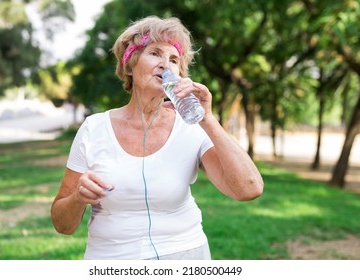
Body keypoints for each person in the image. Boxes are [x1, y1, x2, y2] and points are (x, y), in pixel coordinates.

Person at [50, 16, 264, 260]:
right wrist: (78, 197)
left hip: (185, 256)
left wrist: (208, 119)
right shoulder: (94, 128)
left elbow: (250, 189)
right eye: (155, 53)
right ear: (129, 66)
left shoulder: (191, 127)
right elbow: (62, 225)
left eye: (174, 59)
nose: (166, 65)